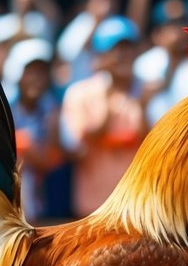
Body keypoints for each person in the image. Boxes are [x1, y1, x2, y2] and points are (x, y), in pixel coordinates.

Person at [60, 16, 147, 217]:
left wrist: (141, 101)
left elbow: (155, 141)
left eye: (128, 48)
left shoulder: (146, 90)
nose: (123, 55)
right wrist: (107, 93)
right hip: (94, 207)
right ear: (100, 56)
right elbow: (77, 147)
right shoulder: (79, 93)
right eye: (116, 50)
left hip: (138, 205)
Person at [3, 38, 65, 219]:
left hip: (42, 206)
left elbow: (51, 159)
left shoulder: (52, 108)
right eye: (30, 72)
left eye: (42, 72)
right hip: (7, 206)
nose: (37, 79)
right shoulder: (3, 108)